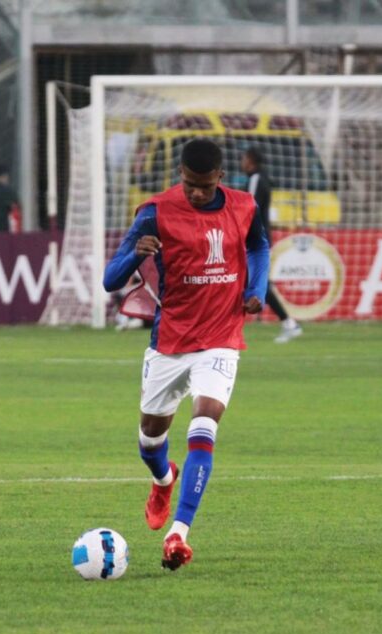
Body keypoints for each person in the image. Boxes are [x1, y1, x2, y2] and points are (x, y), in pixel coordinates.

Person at [103, 138, 270, 571]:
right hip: (170, 342)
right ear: (180, 174)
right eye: (188, 184)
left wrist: (255, 290)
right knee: (149, 440)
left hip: (221, 336)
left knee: (205, 422)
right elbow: (110, 279)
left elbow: (259, 246)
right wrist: (134, 257)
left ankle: (179, 534)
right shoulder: (155, 212)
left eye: (204, 185)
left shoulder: (243, 206)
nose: (196, 192)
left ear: (219, 177)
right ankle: (163, 479)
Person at [240, 147, 302, 343]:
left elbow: (248, 207)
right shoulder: (261, 178)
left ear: (250, 160)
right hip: (257, 237)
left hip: (254, 239)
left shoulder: (256, 179)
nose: (242, 163)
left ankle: (289, 323)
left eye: (244, 159)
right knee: (253, 279)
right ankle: (289, 323)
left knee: (257, 281)